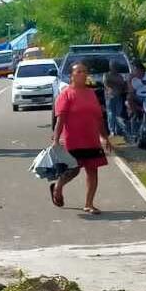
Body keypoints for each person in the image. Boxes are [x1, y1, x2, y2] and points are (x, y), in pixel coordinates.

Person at [52, 62, 111, 215]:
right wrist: (56, 140)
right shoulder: (66, 94)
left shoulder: (91, 94)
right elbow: (61, 119)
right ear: (71, 75)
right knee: (73, 170)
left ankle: (89, 203)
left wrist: (104, 137)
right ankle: (58, 186)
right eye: (79, 72)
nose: (83, 74)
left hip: (91, 140)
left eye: (85, 71)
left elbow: (98, 118)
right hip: (73, 140)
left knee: (93, 171)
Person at [104, 61, 128, 137]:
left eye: (115, 66)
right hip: (110, 96)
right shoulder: (106, 75)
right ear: (110, 67)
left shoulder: (120, 76)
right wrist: (116, 84)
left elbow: (122, 84)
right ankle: (112, 130)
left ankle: (118, 130)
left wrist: (118, 84)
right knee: (111, 114)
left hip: (118, 96)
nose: (114, 68)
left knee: (118, 113)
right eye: (113, 66)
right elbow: (107, 83)